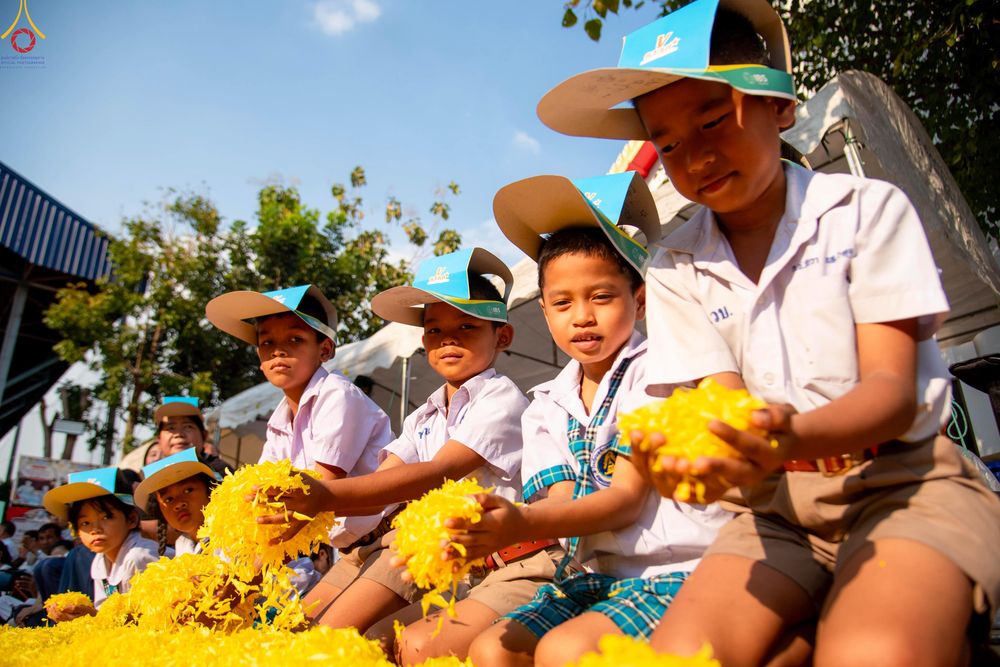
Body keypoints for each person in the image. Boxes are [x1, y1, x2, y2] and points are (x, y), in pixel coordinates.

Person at [536, 0, 1000, 664]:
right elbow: (728, 405)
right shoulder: (675, 265)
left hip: (905, 483)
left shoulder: (863, 212)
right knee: (677, 656)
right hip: (778, 508)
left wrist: (779, 435)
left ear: (778, 106)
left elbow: (893, 393)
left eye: (714, 118)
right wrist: (718, 448)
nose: (693, 156)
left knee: (873, 650)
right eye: (667, 143)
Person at [439, 174, 729, 667]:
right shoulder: (546, 404)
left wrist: (517, 523)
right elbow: (565, 504)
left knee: (562, 651)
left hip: (674, 568)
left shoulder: (660, 371)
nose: (582, 317)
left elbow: (624, 500)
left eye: (601, 296)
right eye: (562, 302)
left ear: (638, 301)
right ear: (546, 312)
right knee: (491, 650)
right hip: (590, 576)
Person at [254, 248, 535, 647]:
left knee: (348, 641)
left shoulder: (501, 399)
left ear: (502, 335)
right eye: (435, 330)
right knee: (305, 629)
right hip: (413, 551)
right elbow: (382, 487)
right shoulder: (425, 415)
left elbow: (436, 474)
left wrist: (319, 497)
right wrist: (302, 507)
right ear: (423, 340)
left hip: (480, 560)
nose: (448, 339)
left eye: (468, 326)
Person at [205, 284, 393, 567]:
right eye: (267, 343)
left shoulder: (337, 394)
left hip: (389, 535)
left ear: (325, 349)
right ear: (258, 357)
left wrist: (242, 576)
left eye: (294, 339)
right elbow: (260, 497)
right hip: (348, 552)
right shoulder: (279, 421)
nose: (278, 351)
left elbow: (315, 493)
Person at [41, 467, 158, 621]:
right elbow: (103, 610)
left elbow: (148, 619)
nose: (95, 529)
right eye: (85, 522)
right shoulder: (100, 560)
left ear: (131, 519)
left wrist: (93, 617)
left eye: (106, 517)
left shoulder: (139, 557)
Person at [133, 448, 221, 556]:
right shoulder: (182, 544)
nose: (179, 504)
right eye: (168, 499)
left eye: (188, 490)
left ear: (211, 490)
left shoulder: (233, 535)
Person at [152, 397, 229, 477]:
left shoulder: (224, 473)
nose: (179, 434)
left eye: (188, 426)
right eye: (170, 428)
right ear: (159, 440)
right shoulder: (149, 479)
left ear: (204, 435)